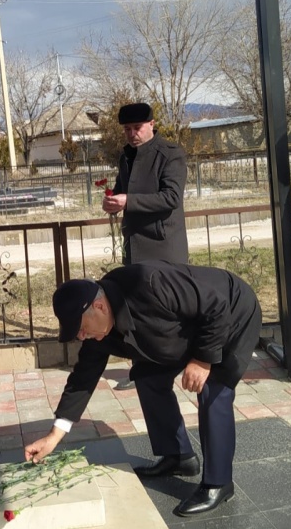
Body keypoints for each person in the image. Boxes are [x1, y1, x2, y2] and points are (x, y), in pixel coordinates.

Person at [24, 261, 262, 517]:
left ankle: (218, 483)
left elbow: (216, 305)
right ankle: (178, 457)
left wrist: (203, 360)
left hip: (232, 313)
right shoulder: (98, 335)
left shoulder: (150, 283)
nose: (81, 336)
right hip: (186, 332)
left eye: (81, 329)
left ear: (100, 306)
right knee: (148, 377)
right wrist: (54, 436)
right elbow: (82, 379)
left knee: (214, 390)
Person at [104, 102, 189, 390]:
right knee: (137, 310)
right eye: (127, 129)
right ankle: (142, 369)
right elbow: (121, 190)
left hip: (163, 244)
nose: (132, 134)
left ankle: (175, 362)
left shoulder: (171, 153)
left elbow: (171, 197)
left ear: (152, 124)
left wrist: (128, 201)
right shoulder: (126, 156)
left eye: (137, 128)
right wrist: (113, 202)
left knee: (168, 310)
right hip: (134, 243)